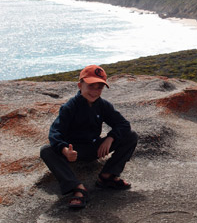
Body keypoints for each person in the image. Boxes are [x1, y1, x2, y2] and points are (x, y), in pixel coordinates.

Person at [40, 65, 138, 209]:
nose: (95, 91)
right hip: (74, 151)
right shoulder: (70, 107)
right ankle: (77, 188)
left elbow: (123, 124)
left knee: (130, 136)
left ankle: (107, 176)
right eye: (91, 86)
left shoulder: (103, 105)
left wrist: (110, 138)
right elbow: (55, 132)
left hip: (95, 147)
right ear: (80, 85)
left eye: (99, 88)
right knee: (46, 151)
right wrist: (64, 150)